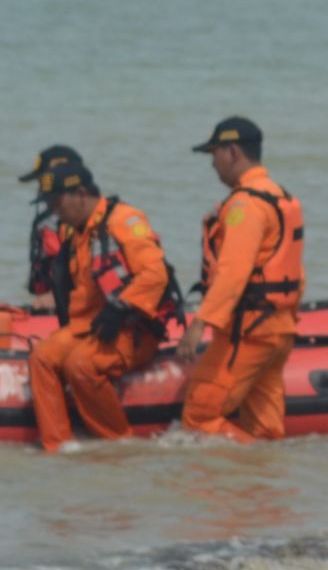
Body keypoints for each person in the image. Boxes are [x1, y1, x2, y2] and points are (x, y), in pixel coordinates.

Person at [27, 163, 184, 452]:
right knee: (41, 356)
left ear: (81, 193)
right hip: (90, 326)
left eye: (57, 202)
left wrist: (121, 306)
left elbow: (155, 274)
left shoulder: (124, 221)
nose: (54, 210)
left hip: (132, 329)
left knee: (81, 365)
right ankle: (59, 446)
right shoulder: (77, 232)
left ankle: (118, 444)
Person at [177, 117, 305, 443]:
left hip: (249, 332)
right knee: (266, 430)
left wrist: (199, 323)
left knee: (199, 417)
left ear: (232, 151)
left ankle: (234, 476)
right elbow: (295, 270)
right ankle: (262, 486)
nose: (212, 164)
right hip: (279, 330)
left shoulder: (245, 205)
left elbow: (233, 273)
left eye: (214, 154)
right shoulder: (283, 198)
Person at [19, 145, 84, 314]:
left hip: (73, 306)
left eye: (46, 182)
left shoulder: (84, 221)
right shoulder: (49, 220)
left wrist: (56, 296)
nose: (42, 190)